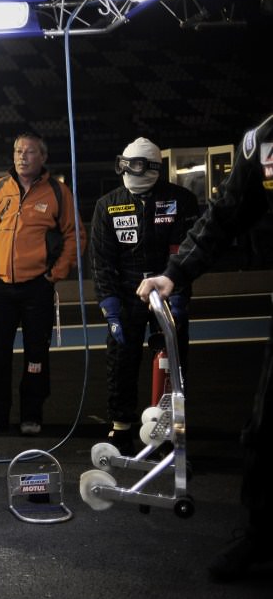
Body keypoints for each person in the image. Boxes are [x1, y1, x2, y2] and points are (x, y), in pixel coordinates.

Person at [137, 113, 273, 582]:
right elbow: (225, 214)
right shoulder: (262, 140)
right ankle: (261, 532)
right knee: (265, 426)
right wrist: (174, 273)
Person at [90, 137, 200, 454]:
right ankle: (121, 427)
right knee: (120, 361)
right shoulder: (107, 205)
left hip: (167, 289)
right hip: (127, 294)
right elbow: (101, 261)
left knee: (172, 363)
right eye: (125, 165)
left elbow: (185, 253)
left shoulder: (181, 200)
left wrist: (178, 299)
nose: (129, 171)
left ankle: (168, 429)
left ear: (152, 167)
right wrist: (109, 306)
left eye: (136, 165)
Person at [0, 132, 86, 436]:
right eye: (17, 151)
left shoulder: (58, 192)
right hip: (0, 287)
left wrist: (55, 273)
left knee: (36, 354)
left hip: (38, 287)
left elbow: (75, 235)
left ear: (43, 157)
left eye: (29, 151)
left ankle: (31, 415)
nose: (22, 156)